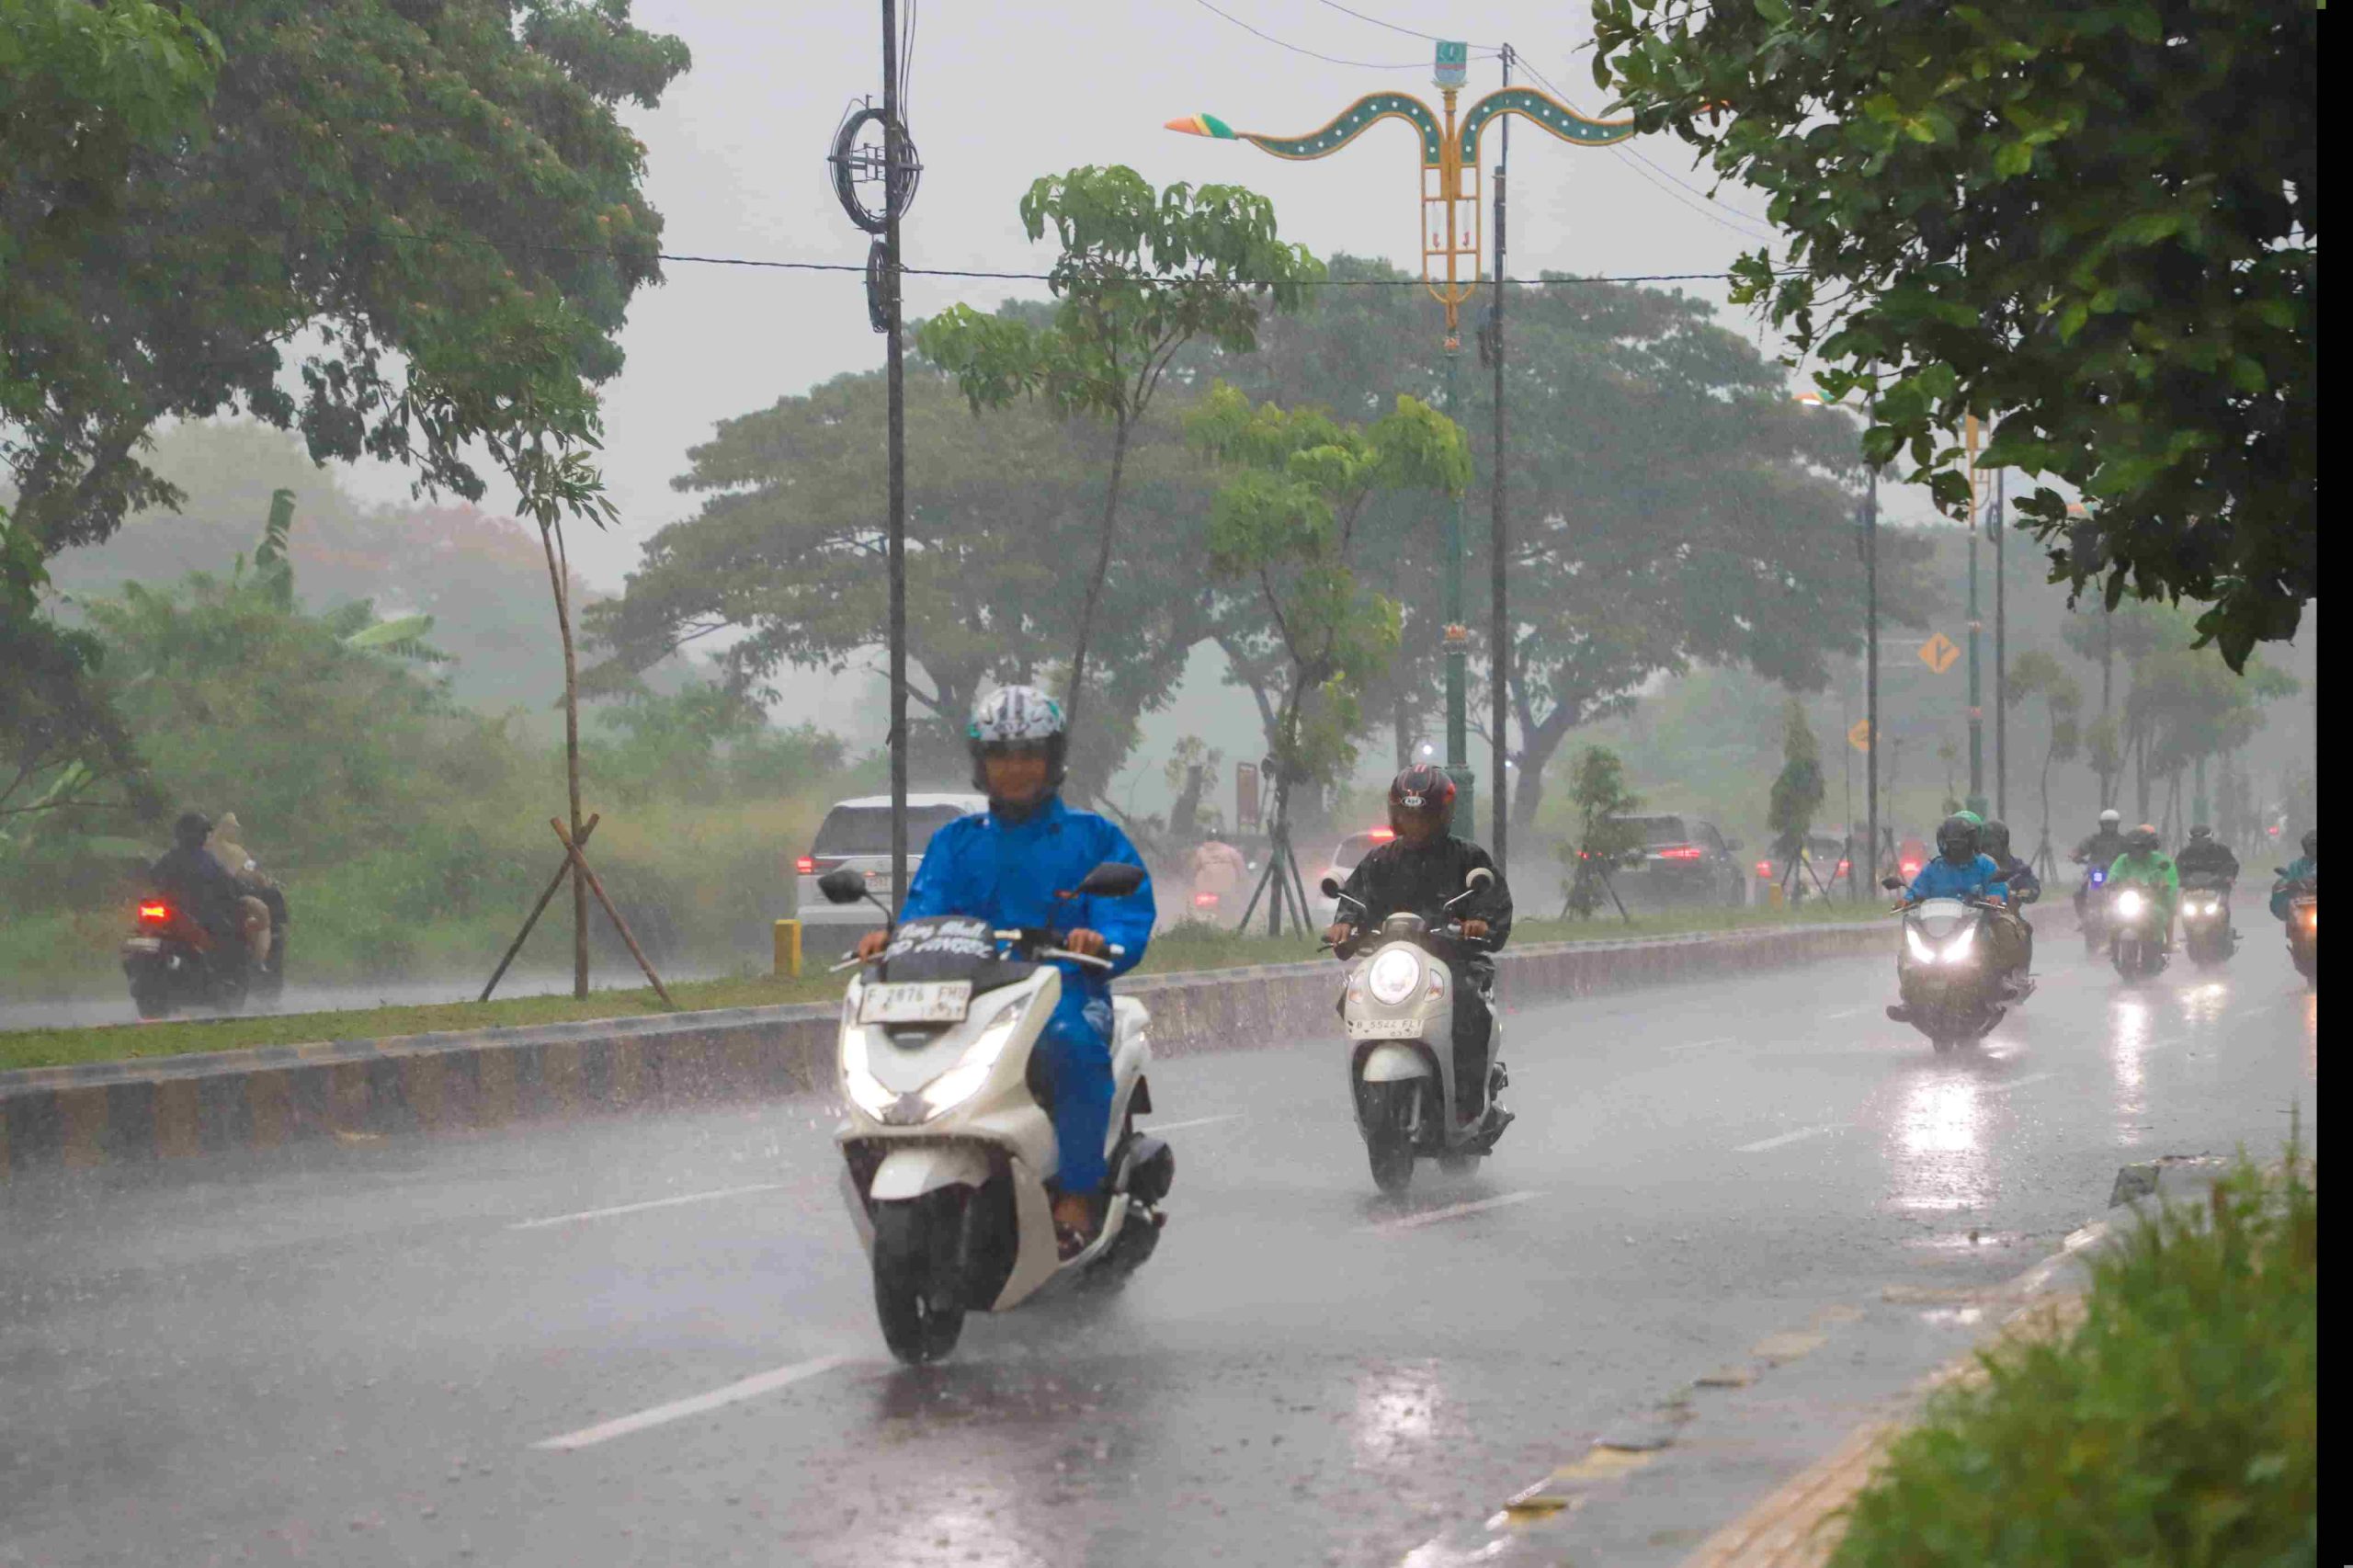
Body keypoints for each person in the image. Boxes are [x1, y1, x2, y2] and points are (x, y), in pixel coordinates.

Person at [854, 686, 1154, 1258]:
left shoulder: (1093, 838)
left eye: (1027, 755)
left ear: (1052, 759)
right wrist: (891, 942)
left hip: (1064, 991)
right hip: (969, 997)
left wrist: (1101, 939)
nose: (1013, 769)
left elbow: (1127, 914)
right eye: (999, 755)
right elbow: (925, 913)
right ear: (980, 763)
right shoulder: (956, 844)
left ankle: (1077, 1192)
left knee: (1071, 1047)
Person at [1322, 765, 1515, 1136]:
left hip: (1453, 961)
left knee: (1470, 1010)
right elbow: (1356, 902)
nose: (1416, 825)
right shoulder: (1379, 862)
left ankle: (1469, 1104)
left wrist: (1478, 924)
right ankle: (1366, 1091)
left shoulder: (1468, 859)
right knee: (1350, 999)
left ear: (1442, 815)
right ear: (1396, 815)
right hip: (1393, 966)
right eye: (1407, 815)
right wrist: (1344, 924)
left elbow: (1492, 906)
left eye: (1423, 816)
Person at [148, 811, 256, 967]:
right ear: (201, 835)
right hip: (200, 914)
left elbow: (152, 876)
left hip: (173, 913)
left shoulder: (169, 857)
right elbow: (228, 882)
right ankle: (228, 973)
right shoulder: (206, 860)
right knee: (233, 935)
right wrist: (243, 890)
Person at [207, 811, 280, 970]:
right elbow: (251, 871)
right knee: (262, 914)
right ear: (226, 828)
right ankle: (258, 962)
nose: (234, 831)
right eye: (233, 828)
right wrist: (264, 880)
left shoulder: (205, 847)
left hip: (202, 900)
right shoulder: (237, 852)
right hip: (230, 897)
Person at [1978, 818, 2038, 992]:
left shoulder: (2016, 866)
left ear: (2003, 843)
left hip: (2006, 914)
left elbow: (2031, 884)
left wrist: (2025, 892)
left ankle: (2019, 973)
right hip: (1973, 914)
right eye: (1985, 844)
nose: (1989, 848)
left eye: (1993, 844)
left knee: (2024, 930)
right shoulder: (1975, 864)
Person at [2105, 824, 2180, 948]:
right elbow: (2114, 873)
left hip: (2153, 900)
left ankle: (2167, 942)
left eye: (2140, 848)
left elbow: (2170, 879)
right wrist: (2110, 882)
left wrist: (2164, 885)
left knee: (2162, 913)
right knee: (2110, 913)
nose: (2136, 851)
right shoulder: (2122, 860)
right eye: (2133, 848)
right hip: (2127, 899)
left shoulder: (2160, 860)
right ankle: (2111, 942)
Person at [1187, 833, 1246, 912]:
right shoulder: (1231, 851)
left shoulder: (1200, 852)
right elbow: (1241, 869)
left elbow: (1193, 869)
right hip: (1228, 890)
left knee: (1201, 912)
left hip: (1205, 891)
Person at [2269, 828, 2317, 921]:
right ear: (2306, 846)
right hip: (2303, 906)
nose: (2315, 847)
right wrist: (2286, 883)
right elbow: (2288, 877)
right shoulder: (2296, 865)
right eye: (2313, 844)